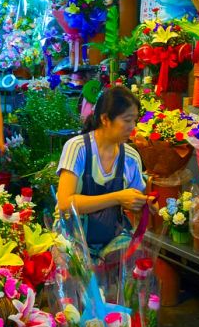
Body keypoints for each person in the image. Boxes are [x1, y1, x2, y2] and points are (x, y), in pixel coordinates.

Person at [56, 85, 154, 256]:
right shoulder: (78, 148)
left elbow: (136, 201)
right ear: (105, 119)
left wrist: (144, 203)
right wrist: (117, 197)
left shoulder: (130, 157)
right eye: (127, 120)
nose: (132, 126)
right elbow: (65, 203)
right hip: (72, 241)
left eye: (134, 120)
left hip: (111, 244)